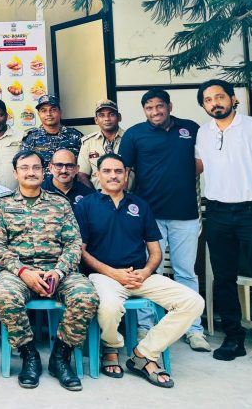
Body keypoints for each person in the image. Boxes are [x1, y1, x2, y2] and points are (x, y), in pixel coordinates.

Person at [74, 153, 204, 389]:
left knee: (193, 302)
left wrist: (145, 272)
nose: (113, 176)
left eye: (118, 171)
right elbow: (81, 252)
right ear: (97, 175)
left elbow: (155, 251)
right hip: (104, 276)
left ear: (126, 175)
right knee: (109, 308)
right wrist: (113, 273)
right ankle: (111, 346)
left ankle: (144, 353)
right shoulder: (86, 205)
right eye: (107, 171)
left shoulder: (140, 205)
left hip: (140, 276)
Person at [194, 79, 252, 371]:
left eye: (219, 97)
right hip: (217, 212)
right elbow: (196, 168)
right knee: (223, 279)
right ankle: (233, 338)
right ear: (204, 105)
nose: (215, 103)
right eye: (208, 100)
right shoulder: (203, 133)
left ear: (233, 98)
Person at [0, 150, 98, 392]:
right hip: (18, 272)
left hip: (58, 270)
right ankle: (29, 355)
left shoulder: (60, 203)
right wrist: (23, 272)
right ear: (15, 173)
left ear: (44, 171)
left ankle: (61, 357)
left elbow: (73, 244)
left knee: (86, 296)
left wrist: (59, 272)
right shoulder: (2, 204)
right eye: (25, 168)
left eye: (36, 167)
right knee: (5, 296)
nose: (31, 172)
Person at [118, 88, 209, 351]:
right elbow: (124, 172)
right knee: (149, 271)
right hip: (149, 217)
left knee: (185, 272)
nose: (155, 112)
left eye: (159, 106)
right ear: (144, 110)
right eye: (149, 108)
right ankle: (146, 326)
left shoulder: (190, 128)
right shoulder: (135, 134)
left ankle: (193, 329)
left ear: (169, 106)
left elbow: (203, 162)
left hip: (185, 214)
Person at [77, 99, 128, 189]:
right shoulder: (88, 142)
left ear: (119, 117)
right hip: (98, 195)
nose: (107, 119)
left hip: (127, 195)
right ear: (96, 120)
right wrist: (95, 196)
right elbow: (82, 175)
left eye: (111, 114)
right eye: (101, 115)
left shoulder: (130, 138)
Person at [20, 95, 83, 167]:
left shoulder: (76, 136)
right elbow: (24, 165)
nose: (48, 114)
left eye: (53, 110)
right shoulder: (30, 138)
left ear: (60, 112)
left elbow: (83, 166)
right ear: (39, 114)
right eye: (43, 111)